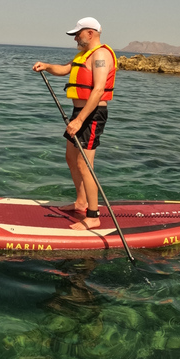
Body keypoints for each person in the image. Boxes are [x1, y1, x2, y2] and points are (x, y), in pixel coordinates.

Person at [32, 17, 117, 230]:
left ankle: (93, 215)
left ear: (90, 32)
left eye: (77, 34)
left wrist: (79, 120)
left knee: (85, 164)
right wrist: (47, 66)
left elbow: (98, 91)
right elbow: (64, 69)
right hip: (79, 112)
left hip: (92, 114)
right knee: (71, 157)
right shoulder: (83, 55)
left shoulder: (101, 55)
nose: (75, 38)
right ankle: (81, 201)